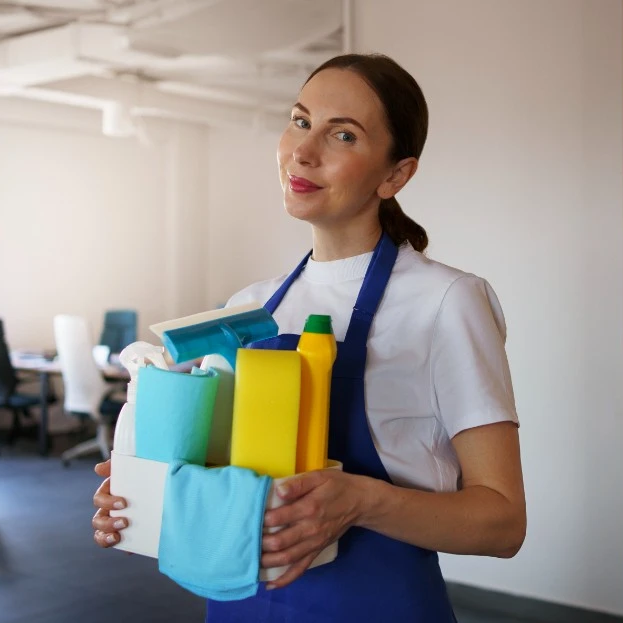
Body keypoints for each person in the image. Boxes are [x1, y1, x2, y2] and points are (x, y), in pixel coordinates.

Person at [91, 53, 525, 622]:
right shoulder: (247, 306)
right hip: (240, 603)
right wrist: (145, 494)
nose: (303, 150)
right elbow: (224, 482)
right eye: (300, 121)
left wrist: (363, 501)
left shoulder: (446, 301)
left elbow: (502, 523)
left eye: (342, 134)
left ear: (396, 175)